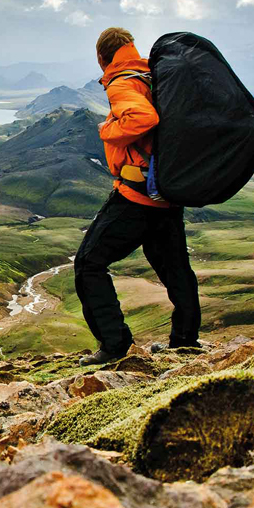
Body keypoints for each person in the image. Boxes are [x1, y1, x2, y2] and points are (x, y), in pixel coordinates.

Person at [76, 27, 201, 366]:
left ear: (102, 58)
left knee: (89, 263)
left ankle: (114, 343)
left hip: (137, 196)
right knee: (176, 269)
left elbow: (144, 118)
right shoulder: (152, 76)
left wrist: (107, 130)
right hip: (167, 194)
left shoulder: (121, 81)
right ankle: (185, 342)